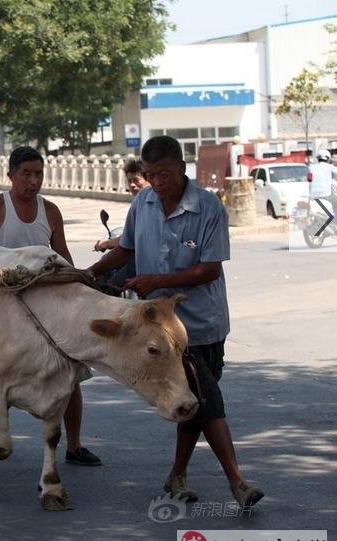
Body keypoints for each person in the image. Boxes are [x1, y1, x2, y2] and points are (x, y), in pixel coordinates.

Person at [87, 135, 264, 508]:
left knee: (194, 404)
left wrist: (157, 281)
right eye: (150, 174)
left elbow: (209, 269)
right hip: (161, 334)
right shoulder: (142, 203)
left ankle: (177, 476)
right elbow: (125, 250)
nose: (157, 182)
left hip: (202, 324)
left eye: (164, 173)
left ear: (182, 168)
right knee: (205, 401)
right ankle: (237, 482)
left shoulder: (208, 207)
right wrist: (89, 273)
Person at [0, 145, 102, 467]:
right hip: (5, 305)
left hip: (48, 304)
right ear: (10, 175)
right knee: (3, 372)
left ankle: (75, 446)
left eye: (38, 174)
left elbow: (63, 257)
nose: (33, 181)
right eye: (26, 174)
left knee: (72, 372)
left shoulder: (50, 211)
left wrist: (83, 285)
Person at [94, 158, 150, 252]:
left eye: (136, 180)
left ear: (148, 180)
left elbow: (131, 239)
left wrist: (107, 243)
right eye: (129, 181)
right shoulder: (138, 203)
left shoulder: (152, 204)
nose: (132, 185)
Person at [309, 149, 336, 215]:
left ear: (318, 158)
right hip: (326, 195)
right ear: (328, 158)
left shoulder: (311, 167)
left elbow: (308, 179)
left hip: (312, 196)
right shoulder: (330, 167)